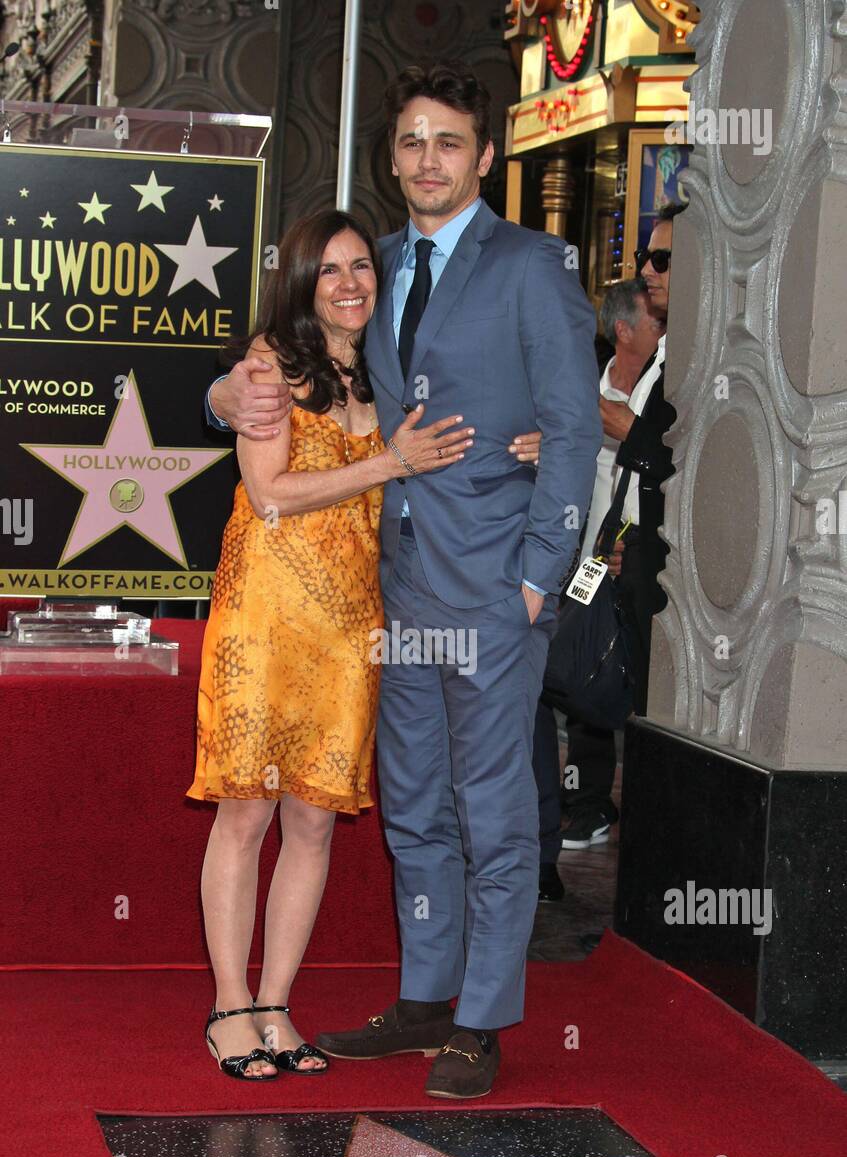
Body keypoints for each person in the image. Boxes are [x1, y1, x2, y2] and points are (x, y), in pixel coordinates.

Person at [205, 61, 601, 1099]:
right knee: (415, 804)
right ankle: (425, 995)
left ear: (485, 156)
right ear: (393, 158)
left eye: (449, 143)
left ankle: (481, 1015)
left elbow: (569, 429)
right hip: (386, 593)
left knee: (493, 804)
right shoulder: (367, 270)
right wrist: (223, 397)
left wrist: (539, 575)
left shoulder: (533, 264)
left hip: (492, 586)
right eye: (413, 142)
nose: (429, 159)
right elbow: (288, 368)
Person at [188, 209, 471, 1081]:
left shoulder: (389, 371)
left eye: (361, 268)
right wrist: (388, 464)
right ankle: (228, 1006)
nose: (349, 284)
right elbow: (268, 492)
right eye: (330, 271)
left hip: (353, 624)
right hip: (265, 615)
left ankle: (276, 1004)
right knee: (248, 811)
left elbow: (454, 445)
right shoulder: (269, 366)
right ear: (302, 282)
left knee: (312, 821)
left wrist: (524, 442)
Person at [558, 277, 664, 855]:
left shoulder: (665, 383)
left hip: (642, 557)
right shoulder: (588, 375)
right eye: (654, 322)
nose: (663, 330)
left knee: (640, 678)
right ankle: (588, 800)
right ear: (623, 330)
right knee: (584, 666)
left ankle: (644, 810)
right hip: (586, 555)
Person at [599, 203, 680, 716]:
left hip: (675, 578)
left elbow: (695, 467)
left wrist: (628, 430)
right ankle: (587, 793)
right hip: (632, 556)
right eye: (644, 256)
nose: (647, 269)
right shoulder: (664, 352)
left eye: (663, 259)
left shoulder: (701, 351)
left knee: (653, 706)